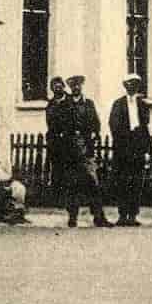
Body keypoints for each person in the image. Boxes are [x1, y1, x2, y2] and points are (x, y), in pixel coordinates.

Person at [62, 75, 112, 227]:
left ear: (81, 86)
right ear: (70, 88)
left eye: (78, 85)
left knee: (93, 183)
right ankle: (72, 217)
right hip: (70, 150)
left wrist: (93, 135)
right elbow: (60, 124)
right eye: (73, 86)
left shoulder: (89, 104)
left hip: (86, 149)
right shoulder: (65, 104)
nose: (76, 88)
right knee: (72, 184)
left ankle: (98, 217)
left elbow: (96, 123)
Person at [108, 73, 152, 226]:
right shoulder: (118, 104)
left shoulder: (143, 104)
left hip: (138, 147)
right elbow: (113, 125)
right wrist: (124, 138)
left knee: (136, 182)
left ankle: (133, 215)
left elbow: (145, 126)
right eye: (129, 83)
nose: (132, 86)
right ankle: (122, 215)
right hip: (123, 148)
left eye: (135, 84)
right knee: (122, 181)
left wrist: (146, 149)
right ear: (125, 86)